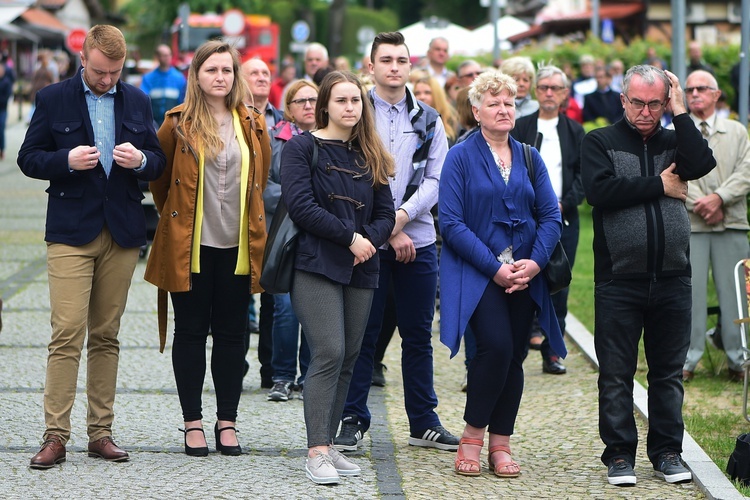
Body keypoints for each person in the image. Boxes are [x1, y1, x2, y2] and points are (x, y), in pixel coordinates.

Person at [18, 24, 166, 469]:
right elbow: (28, 158)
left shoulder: (137, 99)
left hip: (121, 231)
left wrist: (141, 161)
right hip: (69, 230)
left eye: (115, 72)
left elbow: (158, 161)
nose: (107, 80)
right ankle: (54, 436)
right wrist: (65, 161)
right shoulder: (52, 98)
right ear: (84, 59)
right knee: (66, 333)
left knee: (107, 335)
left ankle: (100, 432)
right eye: (100, 71)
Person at [581, 65, 715, 486]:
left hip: (674, 276)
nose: (644, 111)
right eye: (637, 102)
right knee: (616, 373)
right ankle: (619, 456)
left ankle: (667, 452)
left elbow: (702, 161)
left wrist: (679, 112)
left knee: (667, 374)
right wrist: (659, 185)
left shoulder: (675, 139)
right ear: (623, 100)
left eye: (654, 103)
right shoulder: (599, 141)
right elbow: (599, 192)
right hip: (619, 279)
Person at [333, 31, 459, 454]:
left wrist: (401, 219)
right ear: (370, 66)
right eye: (385, 59)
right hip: (365, 243)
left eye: (401, 60)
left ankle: (423, 420)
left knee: (418, 335)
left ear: (410, 65)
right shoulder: (354, 113)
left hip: (418, 241)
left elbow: (436, 181)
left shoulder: (428, 119)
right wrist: (388, 229)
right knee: (362, 335)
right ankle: (352, 418)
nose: (393, 67)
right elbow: (349, 179)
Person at [144, 40, 271, 457]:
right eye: (212, 70)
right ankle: (193, 422)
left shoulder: (252, 122)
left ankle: (227, 421)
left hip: (237, 246)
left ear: (236, 77)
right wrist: (181, 223)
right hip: (191, 247)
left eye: (227, 70)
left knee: (234, 334)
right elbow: (161, 185)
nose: (220, 77)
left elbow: (260, 178)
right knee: (192, 331)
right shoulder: (176, 123)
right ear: (196, 75)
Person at [439, 70, 564, 478]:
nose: (503, 109)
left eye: (509, 102)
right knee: (492, 347)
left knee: (514, 354)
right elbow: (452, 223)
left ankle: (501, 443)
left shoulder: (530, 154)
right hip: (479, 273)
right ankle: (472, 436)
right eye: (493, 103)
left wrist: (536, 262)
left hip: (526, 273)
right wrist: (495, 268)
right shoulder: (459, 155)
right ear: (476, 111)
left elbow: (550, 215)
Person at [280, 70, 395, 484]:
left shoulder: (370, 152)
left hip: (363, 265)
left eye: (356, 101)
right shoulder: (301, 147)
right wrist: (350, 237)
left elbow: (386, 211)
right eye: (342, 100)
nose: (351, 107)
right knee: (328, 350)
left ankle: (328, 444)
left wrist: (369, 240)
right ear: (325, 104)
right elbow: (300, 205)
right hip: (316, 263)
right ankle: (315, 452)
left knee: (349, 356)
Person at [512, 64, 585, 375]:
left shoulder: (574, 131)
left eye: (556, 88)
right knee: (523, 281)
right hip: (525, 219)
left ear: (565, 94)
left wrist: (563, 204)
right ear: (536, 91)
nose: (550, 93)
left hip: (563, 219)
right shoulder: (521, 126)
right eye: (544, 88)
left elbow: (583, 176)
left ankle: (552, 351)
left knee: (559, 283)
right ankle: (516, 349)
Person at [681, 70, 750, 383]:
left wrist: (720, 199)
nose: (694, 93)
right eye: (690, 89)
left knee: (736, 294)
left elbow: (747, 171)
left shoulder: (737, 131)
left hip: (731, 223)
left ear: (716, 94)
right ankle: (687, 360)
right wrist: (703, 204)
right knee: (688, 295)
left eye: (701, 88)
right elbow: (674, 173)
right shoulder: (678, 131)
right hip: (692, 225)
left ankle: (740, 359)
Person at [264, 79, 318, 402]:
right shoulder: (276, 139)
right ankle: (282, 376)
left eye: (313, 99)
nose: (308, 105)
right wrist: (298, 201)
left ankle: (310, 374)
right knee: (284, 308)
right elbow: (264, 185)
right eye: (301, 101)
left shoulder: (330, 137)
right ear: (289, 107)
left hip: (319, 235)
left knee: (314, 308)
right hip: (284, 231)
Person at [241, 56, 284, 386]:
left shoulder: (283, 123)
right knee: (239, 297)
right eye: (253, 72)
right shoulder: (232, 119)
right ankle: (236, 364)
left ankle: (270, 369)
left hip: (278, 224)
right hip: (242, 223)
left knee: (274, 298)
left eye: (265, 73)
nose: (260, 78)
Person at [139, 44, 187, 127]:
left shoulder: (179, 78)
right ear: (157, 57)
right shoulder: (148, 78)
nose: (167, 58)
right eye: (164, 55)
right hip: (153, 124)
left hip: (174, 124)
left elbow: (183, 102)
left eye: (169, 55)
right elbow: (142, 101)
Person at [413, 76, 459, 145]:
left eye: (427, 93)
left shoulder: (452, 121)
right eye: (417, 93)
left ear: (437, 95)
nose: (422, 97)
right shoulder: (411, 120)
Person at [0, 63, 12, 160]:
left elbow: (6, 97)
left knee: (1, 127)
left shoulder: (6, 82)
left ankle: (2, 149)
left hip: (2, 109)